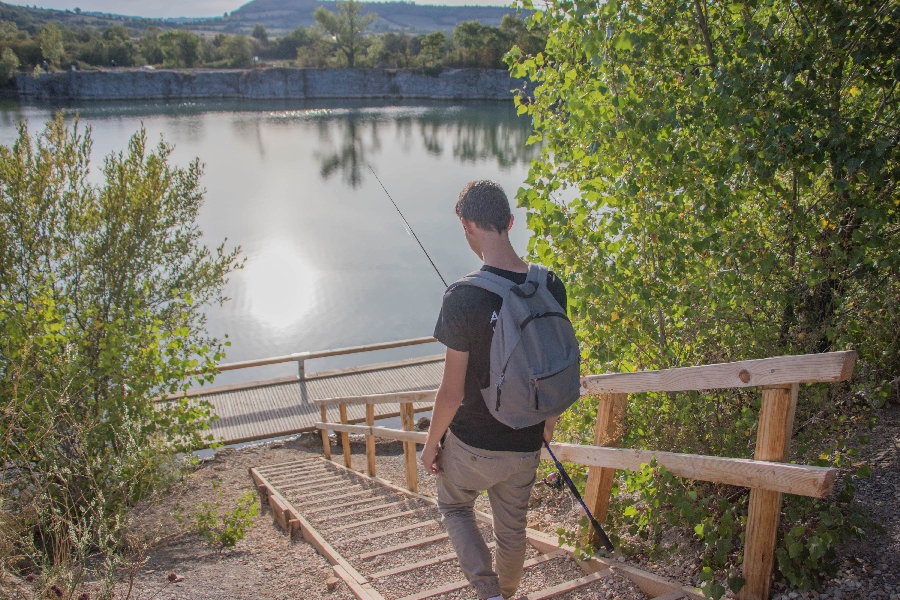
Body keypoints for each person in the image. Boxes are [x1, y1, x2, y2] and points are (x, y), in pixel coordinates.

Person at [421, 180, 568, 600]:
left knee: (453, 505)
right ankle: (507, 591)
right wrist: (547, 426)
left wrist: (431, 444)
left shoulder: (463, 297)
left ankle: (488, 593)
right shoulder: (551, 285)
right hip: (526, 437)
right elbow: (553, 367)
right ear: (509, 221)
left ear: (466, 226)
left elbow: (450, 392)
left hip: (472, 443)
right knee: (513, 530)